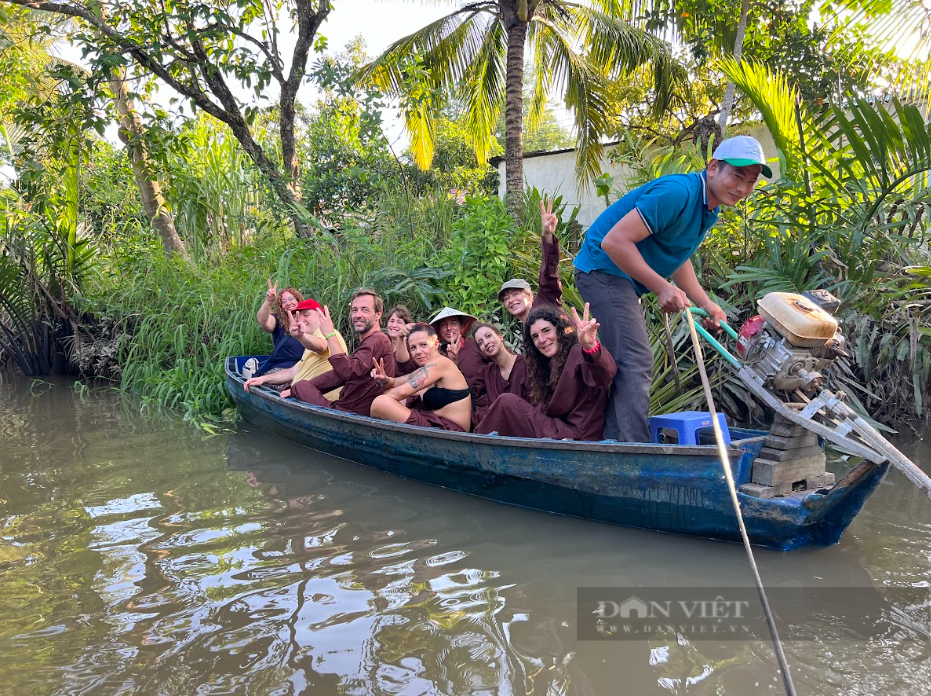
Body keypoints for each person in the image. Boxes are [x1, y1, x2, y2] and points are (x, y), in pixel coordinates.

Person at [573, 135, 771, 442]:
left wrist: (707, 304)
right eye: (736, 176)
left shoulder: (709, 207)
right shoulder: (677, 193)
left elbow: (679, 258)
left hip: (620, 278)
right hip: (602, 270)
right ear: (713, 167)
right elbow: (614, 242)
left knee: (625, 362)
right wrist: (660, 287)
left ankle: (610, 440)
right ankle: (631, 453)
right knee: (636, 360)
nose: (743, 188)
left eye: (751, 182)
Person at [475, 304, 616, 441]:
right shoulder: (547, 365)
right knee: (510, 408)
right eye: (535, 337)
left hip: (577, 434)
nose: (542, 340)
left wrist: (590, 346)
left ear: (559, 330)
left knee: (506, 402)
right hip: (558, 429)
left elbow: (605, 375)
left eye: (546, 331)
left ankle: (473, 442)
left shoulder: (578, 352)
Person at [287, 289, 397, 416]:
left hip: (350, 412)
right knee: (301, 386)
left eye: (365, 310)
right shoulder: (369, 342)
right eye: (355, 310)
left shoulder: (378, 339)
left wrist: (330, 334)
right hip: (345, 406)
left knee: (300, 387)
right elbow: (338, 375)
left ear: (378, 314)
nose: (358, 315)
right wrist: (304, 387)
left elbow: (347, 371)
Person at [370, 324, 472, 432]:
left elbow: (403, 391)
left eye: (423, 345)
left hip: (451, 431)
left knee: (380, 403)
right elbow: (395, 382)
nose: (418, 351)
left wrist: (382, 404)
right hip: (436, 424)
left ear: (436, 344)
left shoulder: (440, 363)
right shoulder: (428, 367)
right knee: (386, 397)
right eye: (413, 348)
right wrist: (383, 378)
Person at [241, 299, 347, 398]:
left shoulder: (329, 334)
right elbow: (293, 372)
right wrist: (263, 379)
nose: (301, 320)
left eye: (306, 315)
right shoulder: (310, 343)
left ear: (320, 317)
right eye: (298, 317)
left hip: (320, 402)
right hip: (305, 397)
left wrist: (301, 336)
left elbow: (321, 345)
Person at [497, 199, 563, 322]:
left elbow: (549, 272)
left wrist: (547, 236)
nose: (511, 300)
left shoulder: (545, 300)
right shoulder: (528, 335)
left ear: (529, 296)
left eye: (516, 294)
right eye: (506, 298)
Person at [242, 280, 305, 379]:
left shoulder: (308, 318)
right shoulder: (278, 319)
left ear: (298, 300)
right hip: (283, 367)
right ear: (281, 307)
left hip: (306, 367)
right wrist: (269, 301)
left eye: (291, 299)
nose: (288, 303)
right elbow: (263, 321)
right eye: (283, 301)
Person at [470, 323, 527, 426]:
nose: (486, 343)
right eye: (480, 342)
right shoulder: (487, 373)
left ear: (500, 337)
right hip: (501, 432)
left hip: (528, 426)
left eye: (488, 336)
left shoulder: (526, 364)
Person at [430, 307, 485, 383]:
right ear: (439, 331)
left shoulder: (476, 345)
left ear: (462, 327)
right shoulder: (438, 353)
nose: (449, 328)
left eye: (453, 323)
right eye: (443, 325)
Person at [385, 305, 417, 372]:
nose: (394, 325)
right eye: (392, 321)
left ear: (406, 325)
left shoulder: (411, 346)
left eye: (399, 322)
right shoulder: (384, 345)